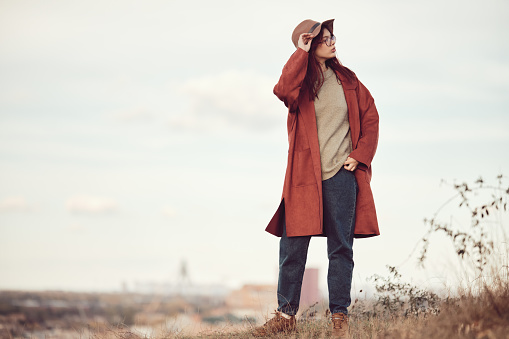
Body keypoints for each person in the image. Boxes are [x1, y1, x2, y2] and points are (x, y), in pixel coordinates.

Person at [253, 19, 380, 338]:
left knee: (341, 247)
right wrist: (300, 52)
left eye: (332, 37)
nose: (332, 42)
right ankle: (285, 316)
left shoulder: (348, 80)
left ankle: (339, 315)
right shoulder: (300, 85)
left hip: (341, 175)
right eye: (324, 39)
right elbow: (282, 89)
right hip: (304, 177)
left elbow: (371, 116)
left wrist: (359, 155)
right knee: (293, 245)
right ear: (309, 44)